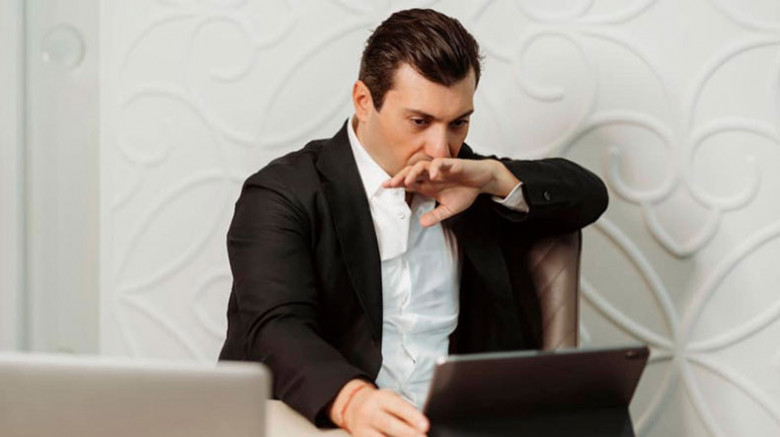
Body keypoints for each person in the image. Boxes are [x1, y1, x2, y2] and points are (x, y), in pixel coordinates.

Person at [219, 8, 608, 437]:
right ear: (364, 101)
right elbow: (276, 328)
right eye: (419, 121)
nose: (440, 148)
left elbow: (589, 196)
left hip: (454, 425)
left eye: (458, 123)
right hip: (326, 423)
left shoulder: (469, 178)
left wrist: (493, 178)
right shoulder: (282, 193)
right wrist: (352, 402)